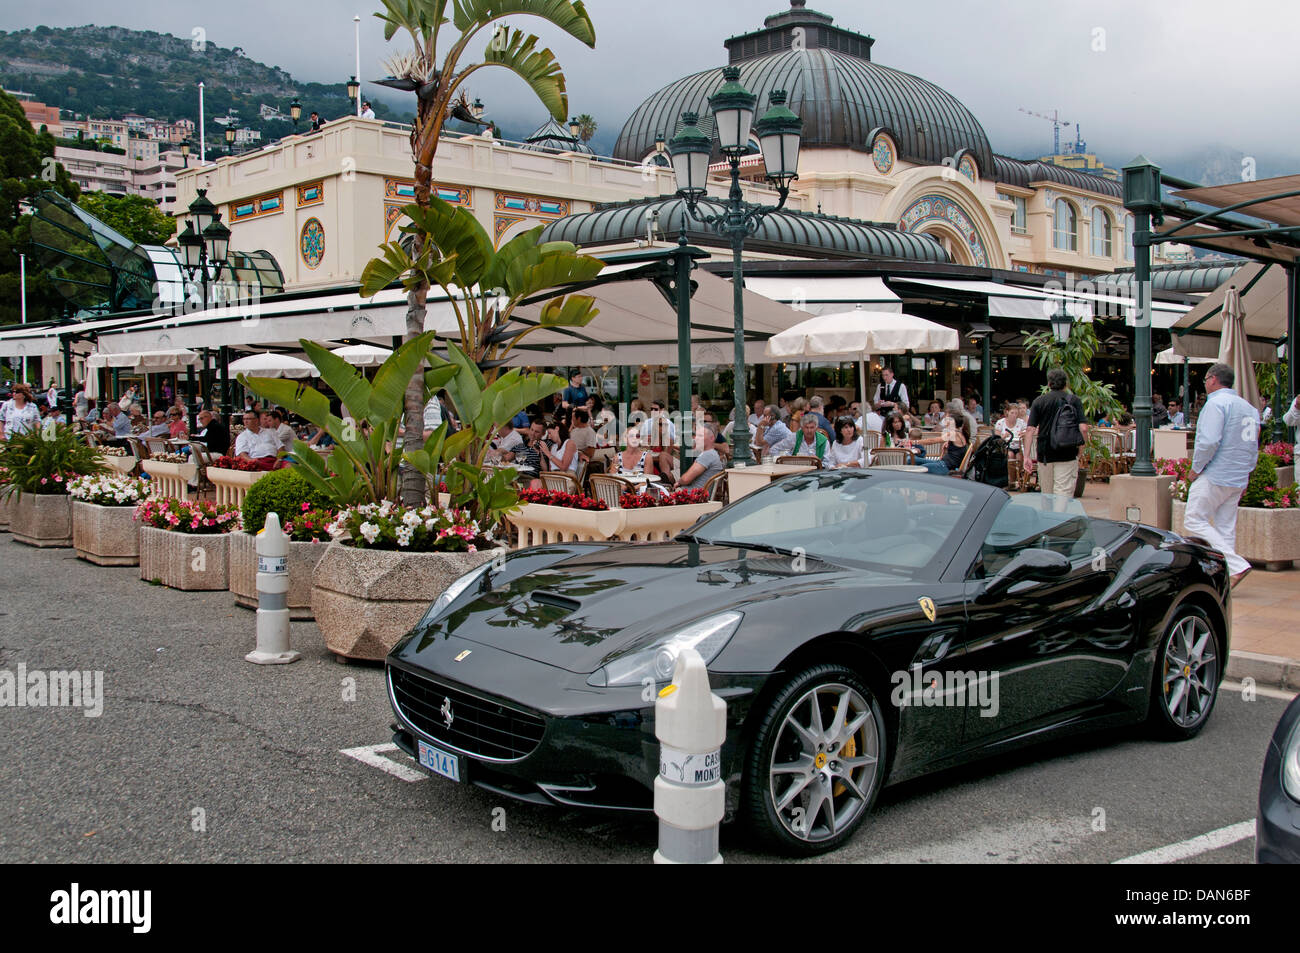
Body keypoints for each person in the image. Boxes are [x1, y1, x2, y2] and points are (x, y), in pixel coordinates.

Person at [1185, 363, 1261, 587]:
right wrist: (1247, 474)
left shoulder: (1216, 403)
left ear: (1213, 379)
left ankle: (1236, 565)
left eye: (1206, 379)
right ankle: (1226, 576)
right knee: (1225, 527)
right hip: (1238, 474)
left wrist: (1196, 469)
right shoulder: (1249, 408)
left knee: (1193, 518)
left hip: (1216, 472)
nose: (1205, 383)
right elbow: (1253, 445)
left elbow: (1208, 441)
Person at [1025, 367, 1088, 498]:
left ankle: (1048, 517)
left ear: (1049, 384)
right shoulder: (1074, 401)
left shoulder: (1039, 401)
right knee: (1063, 493)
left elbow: (1030, 430)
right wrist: (1081, 449)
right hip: (1067, 452)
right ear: (1066, 384)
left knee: (1046, 494)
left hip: (1045, 453)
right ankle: (1060, 518)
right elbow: (1083, 428)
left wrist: (1026, 456)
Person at [672, 425, 725, 492]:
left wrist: (679, 482)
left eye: (700, 436)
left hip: (691, 497)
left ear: (711, 438)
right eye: (696, 436)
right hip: (693, 495)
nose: (696, 438)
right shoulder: (711, 454)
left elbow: (686, 479)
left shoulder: (708, 455)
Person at [639, 400, 677, 476]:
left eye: (655, 409)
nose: (653, 411)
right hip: (650, 453)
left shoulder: (668, 424)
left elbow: (671, 446)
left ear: (662, 410)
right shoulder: (647, 423)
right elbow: (642, 441)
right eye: (651, 409)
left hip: (663, 457)